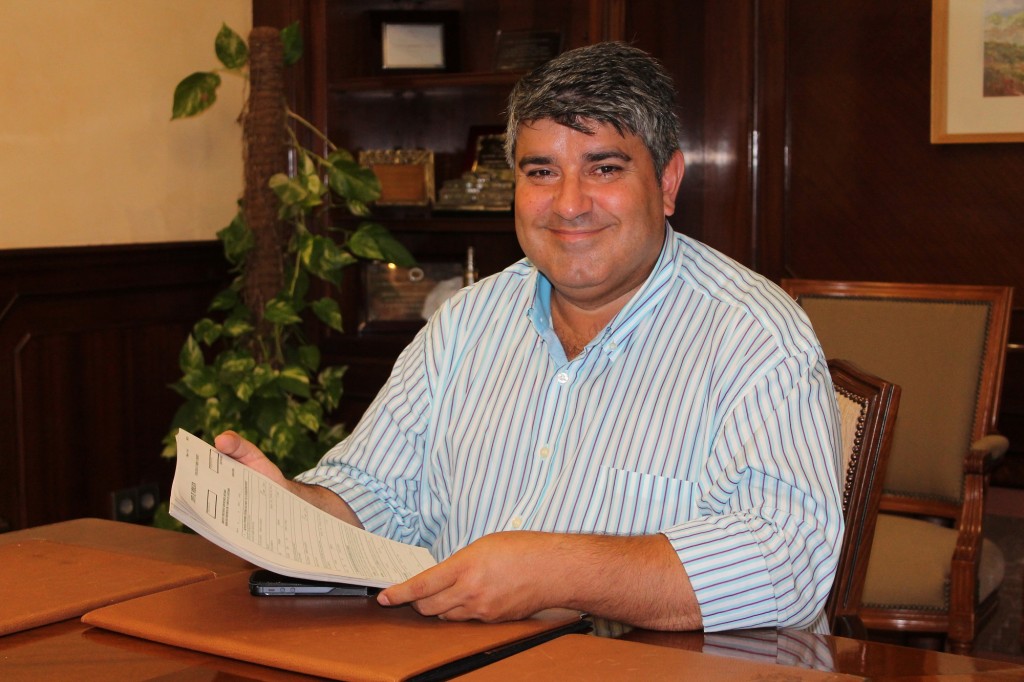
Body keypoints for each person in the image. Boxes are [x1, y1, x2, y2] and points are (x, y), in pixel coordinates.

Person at [217, 41, 843, 633]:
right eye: (541, 171)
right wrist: (288, 509)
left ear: (668, 182)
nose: (569, 204)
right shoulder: (468, 321)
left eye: (604, 168)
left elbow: (788, 561)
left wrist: (557, 571)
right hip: (453, 654)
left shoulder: (752, 336)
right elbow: (377, 492)